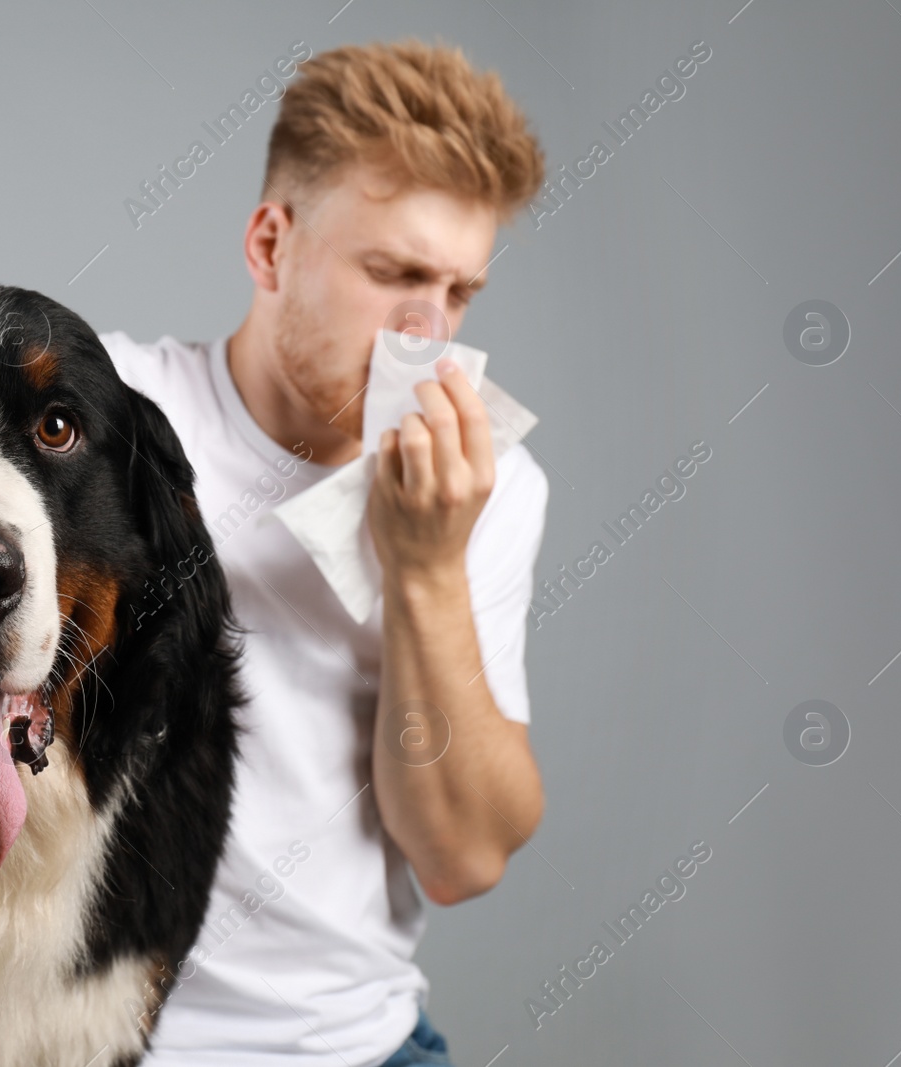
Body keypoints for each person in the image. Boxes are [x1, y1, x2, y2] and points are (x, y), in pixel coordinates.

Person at [99, 39, 548, 1067]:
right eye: (392, 273)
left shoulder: (488, 486)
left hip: (351, 1045)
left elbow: (464, 854)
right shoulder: (100, 413)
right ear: (270, 246)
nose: (425, 333)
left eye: (458, 291)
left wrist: (426, 566)